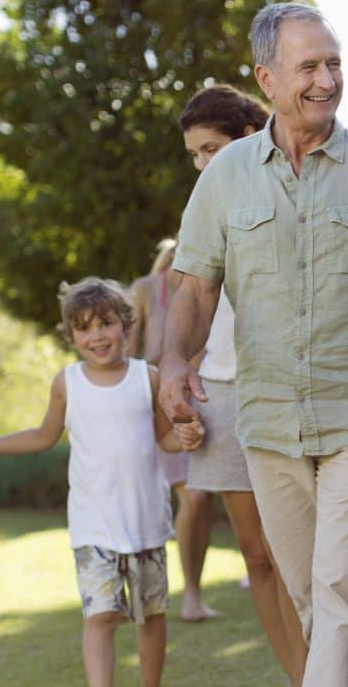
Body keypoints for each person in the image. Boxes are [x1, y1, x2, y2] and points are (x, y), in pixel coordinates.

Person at [158, 3, 348, 687]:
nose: (326, 80)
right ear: (267, 78)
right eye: (308, 66)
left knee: (340, 586)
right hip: (270, 422)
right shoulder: (225, 178)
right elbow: (193, 289)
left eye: (334, 64)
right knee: (316, 604)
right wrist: (171, 361)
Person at [0, 278, 203, 687]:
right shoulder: (66, 383)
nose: (96, 335)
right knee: (101, 615)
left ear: (126, 325)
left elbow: (164, 437)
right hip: (94, 526)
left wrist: (187, 437)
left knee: (151, 615)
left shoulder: (147, 378)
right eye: (84, 327)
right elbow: (43, 435)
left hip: (145, 520)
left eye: (105, 323)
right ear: (72, 334)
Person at [175, 83, 307, 686]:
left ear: (249, 136)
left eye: (211, 148)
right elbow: (192, 305)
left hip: (287, 389)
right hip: (222, 394)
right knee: (257, 556)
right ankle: (300, 675)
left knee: (301, 557)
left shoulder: (293, 192)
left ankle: (332, 669)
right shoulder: (203, 210)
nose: (203, 164)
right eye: (195, 155)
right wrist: (180, 385)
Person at [128, 240, 219, 623]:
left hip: (212, 397)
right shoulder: (148, 288)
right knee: (194, 497)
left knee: (205, 502)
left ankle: (195, 590)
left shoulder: (216, 281)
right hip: (164, 400)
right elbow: (130, 352)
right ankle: (190, 595)